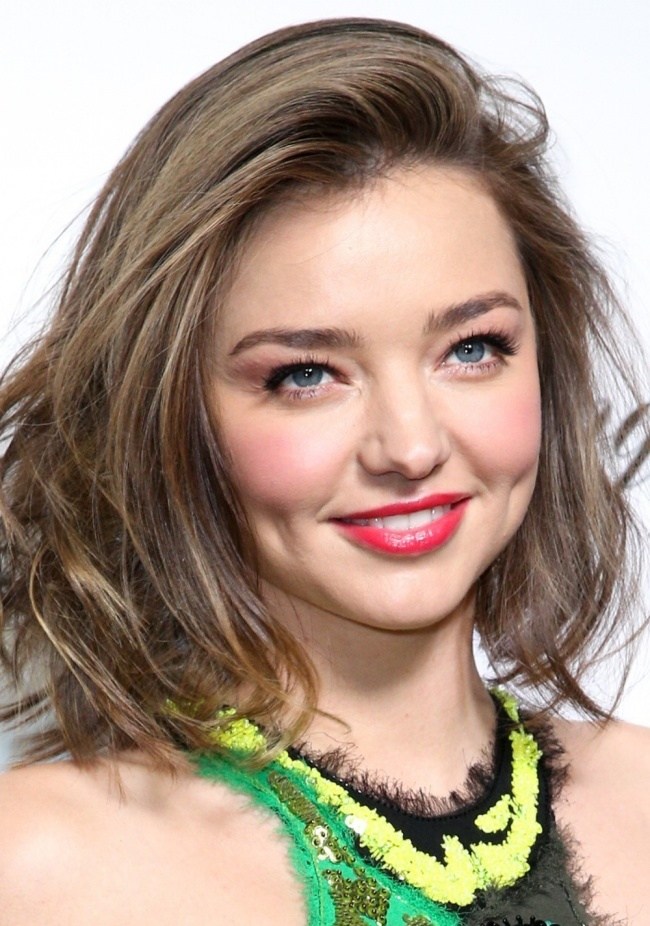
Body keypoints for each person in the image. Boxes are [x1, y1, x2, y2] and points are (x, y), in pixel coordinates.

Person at [0, 17, 648, 926]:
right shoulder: (45, 868)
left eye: (471, 349)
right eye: (307, 374)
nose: (410, 448)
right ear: (172, 418)